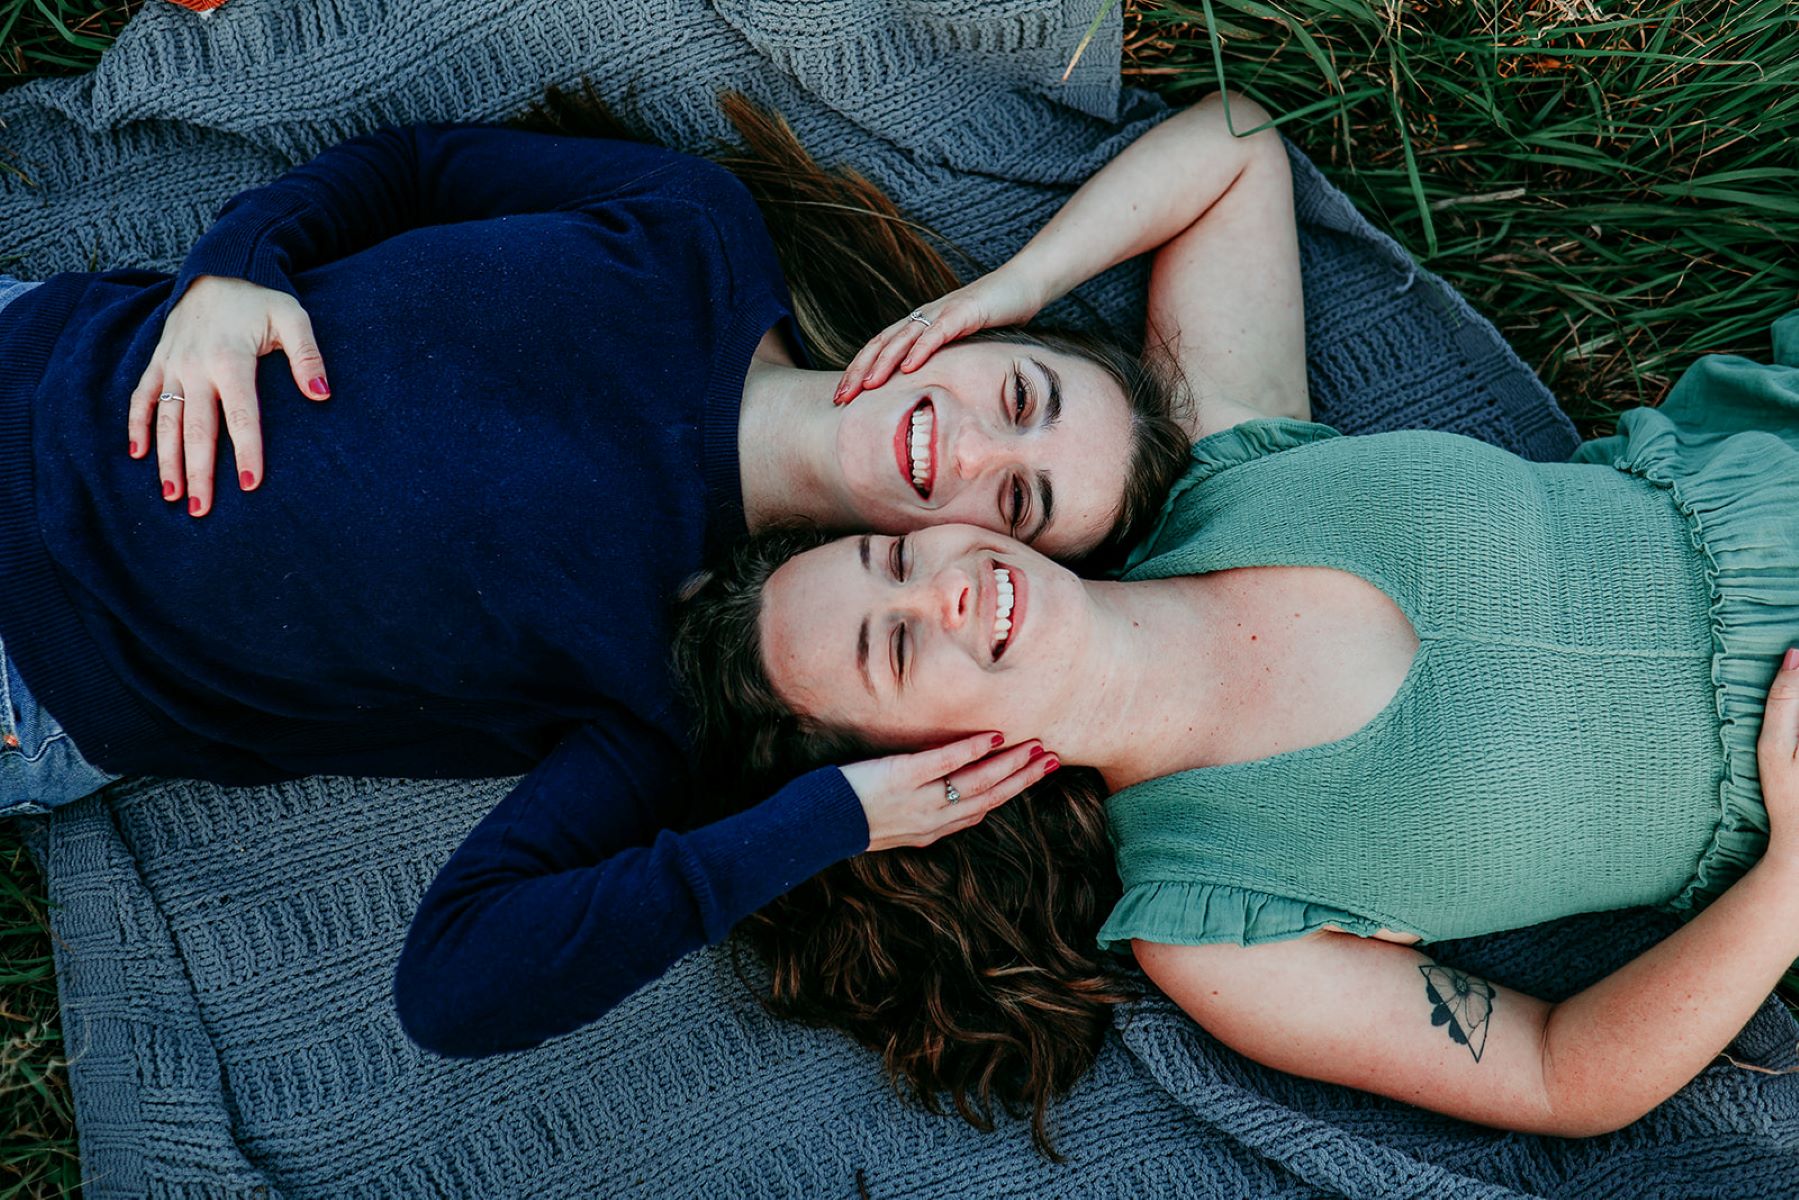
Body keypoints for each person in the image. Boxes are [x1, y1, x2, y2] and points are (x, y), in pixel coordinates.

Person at [0, 90, 1298, 1053]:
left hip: (35, 670)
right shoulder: (693, 230)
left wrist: (832, 819)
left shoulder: (672, 690)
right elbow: (417, 166)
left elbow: (455, 989)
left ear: (987, 560)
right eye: (1015, 393)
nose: (966, 448)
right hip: (39, 359)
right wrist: (239, 259)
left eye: (1014, 501)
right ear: (976, 331)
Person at [668, 139, 1799, 1143]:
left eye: (898, 559)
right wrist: (1788, 883)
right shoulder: (1212, 925)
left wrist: (1013, 294)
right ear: (927, 777)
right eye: (898, 653)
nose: (945, 594)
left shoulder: (1224, 469)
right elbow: (1561, 1078)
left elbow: (1232, 149)